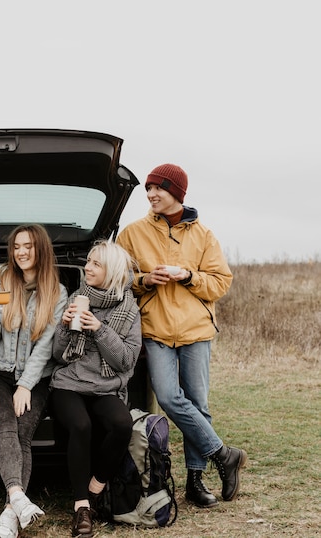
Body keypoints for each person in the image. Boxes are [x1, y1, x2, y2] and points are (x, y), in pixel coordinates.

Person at [116, 163, 247, 509]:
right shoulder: (132, 233)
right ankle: (223, 453)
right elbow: (117, 277)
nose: (151, 195)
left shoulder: (203, 235)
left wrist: (187, 275)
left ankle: (195, 480)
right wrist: (144, 280)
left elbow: (221, 282)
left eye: (158, 188)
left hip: (196, 331)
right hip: (155, 330)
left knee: (198, 404)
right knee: (170, 397)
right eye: (148, 189)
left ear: (177, 192)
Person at [0, 223, 68, 538]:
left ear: (40, 249)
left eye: (28, 246)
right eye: (17, 246)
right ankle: (18, 499)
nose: (21, 252)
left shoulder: (57, 293)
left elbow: (46, 347)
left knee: (23, 433)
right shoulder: (0, 280)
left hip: (35, 377)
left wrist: (26, 385)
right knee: (5, 426)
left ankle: (8, 517)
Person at [49, 240, 142, 538]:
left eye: (95, 264)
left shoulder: (129, 309)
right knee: (81, 425)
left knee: (121, 424)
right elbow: (58, 356)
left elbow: (126, 361)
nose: (87, 267)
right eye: (88, 261)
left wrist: (100, 330)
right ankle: (82, 507)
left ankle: (96, 486)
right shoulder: (77, 298)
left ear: (112, 270)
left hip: (105, 386)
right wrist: (64, 326)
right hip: (69, 383)